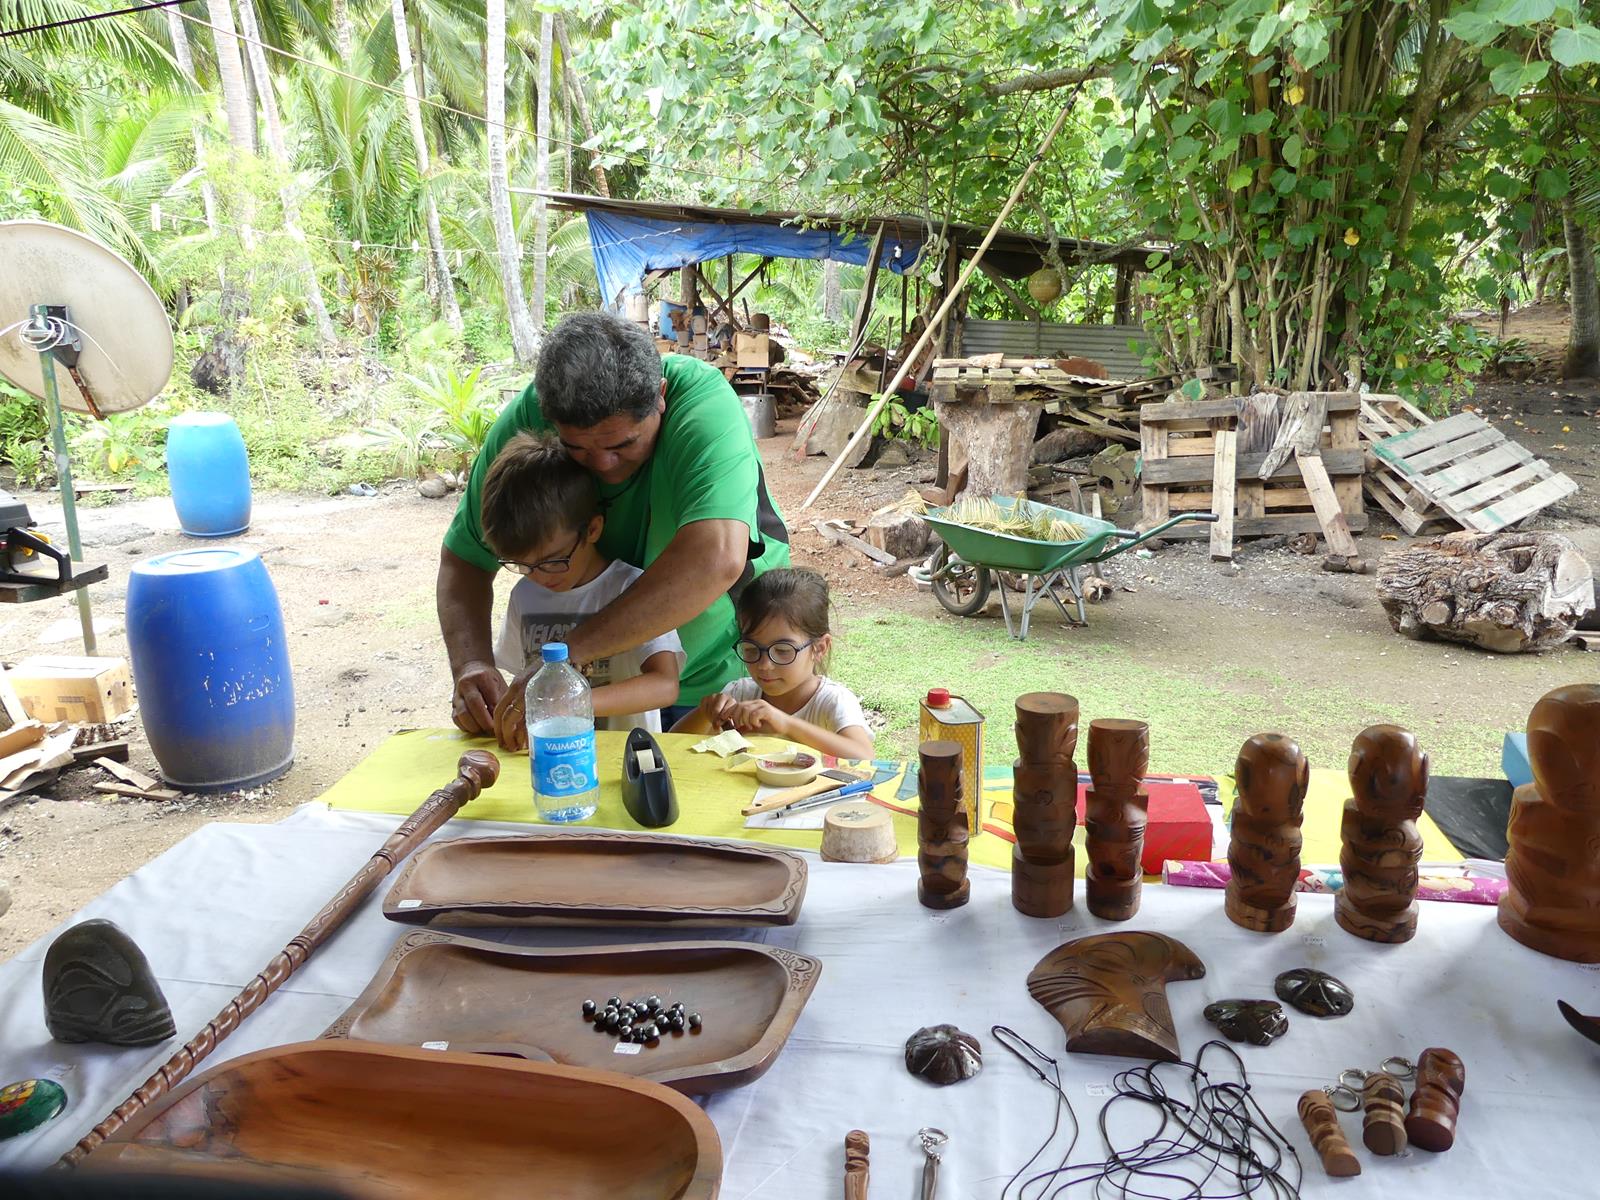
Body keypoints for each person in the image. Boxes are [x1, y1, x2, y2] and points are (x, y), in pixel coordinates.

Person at [437, 311, 790, 748]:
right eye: (576, 448)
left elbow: (714, 560)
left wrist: (561, 660)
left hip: (714, 672)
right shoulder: (529, 420)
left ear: (659, 397)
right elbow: (464, 558)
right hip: (588, 693)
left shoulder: (702, 403)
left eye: (623, 444)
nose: (603, 465)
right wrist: (471, 665)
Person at [479, 432, 682, 732]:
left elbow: (665, 684)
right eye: (523, 565)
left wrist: (575, 703)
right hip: (553, 758)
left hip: (624, 761)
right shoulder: (525, 595)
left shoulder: (630, 589)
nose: (540, 576)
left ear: (592, 529)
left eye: (553, 561)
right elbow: (521, 679)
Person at [672, 568, 872, 760]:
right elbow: (671, 747)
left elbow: (865, 757)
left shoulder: (832, 701)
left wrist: (787, 724)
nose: (765, 665)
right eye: (751, 649)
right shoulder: (740, 694)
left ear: (819, 648)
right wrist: (704, 714)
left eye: (783, 651)